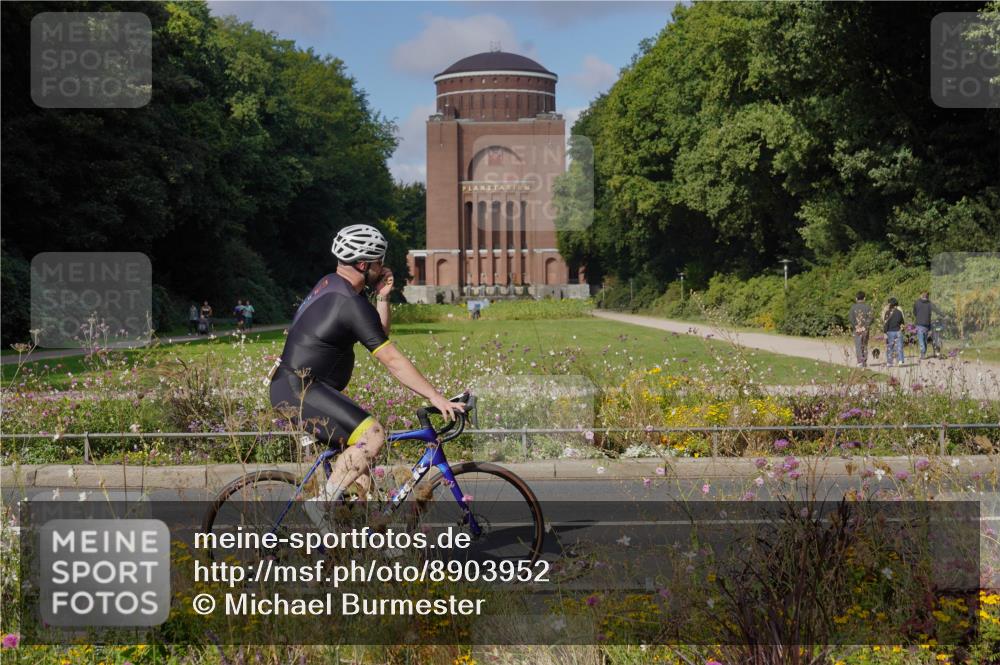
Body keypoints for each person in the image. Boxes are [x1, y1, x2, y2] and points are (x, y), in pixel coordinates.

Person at [268, 224, 463, 524]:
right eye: (378, 263)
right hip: (301, 389)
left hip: (299, 387)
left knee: (363, 480)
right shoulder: (349, 302)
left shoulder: (332, 285)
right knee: (372, 435)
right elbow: (390, 358)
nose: (382, 267)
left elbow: (376, 333)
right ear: (363, 264)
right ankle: (319, 505)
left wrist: (383, 296)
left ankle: (353, 549)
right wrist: (436, 397)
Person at [848, 291, 873, 367]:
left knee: (858, 345)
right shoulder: (868, 307)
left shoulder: (853, 307)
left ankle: (860, 362)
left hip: (856, 330)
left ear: (856, 298)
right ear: (864, 298)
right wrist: (865, 326)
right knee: (864, 345)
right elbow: (871, 318)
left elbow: (851, 318)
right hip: (865, 329)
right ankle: (864, 361)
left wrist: (856, 326)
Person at [912, 291, 938, 360]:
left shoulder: (916, 302)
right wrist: (943, 315)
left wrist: (918, 316)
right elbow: (936, 310)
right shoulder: (929, 303)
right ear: (927, 297)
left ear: (921, 296)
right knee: (924, 339)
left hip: (919, 324)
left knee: (921, 339)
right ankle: (923, 353)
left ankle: (923, 352)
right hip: (927, 324)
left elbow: (914, 312)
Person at [883, 297, 905, 367]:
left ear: (890, 304)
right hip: (898, 331)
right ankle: (900, 360)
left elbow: (886, 324)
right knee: (899, 346)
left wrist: (885, 332)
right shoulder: (899, 312)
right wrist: (903, 330)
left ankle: (889, 362)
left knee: (890, 347)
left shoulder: (887, 313)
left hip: (890, 331)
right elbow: (902, 322)